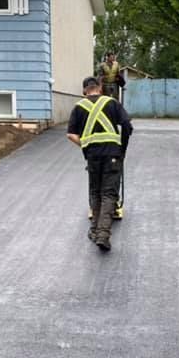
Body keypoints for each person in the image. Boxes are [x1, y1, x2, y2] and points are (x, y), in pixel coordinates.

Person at [67, 76, 132, 252]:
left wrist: (86, 144)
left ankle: (95, 231)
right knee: (109, 194)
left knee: (95, 192)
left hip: (92, 156)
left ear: (84, 91)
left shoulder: (79, 107)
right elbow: (127, 126)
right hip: (112, 154)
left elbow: (70, 134)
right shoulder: (112, 103)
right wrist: (121, 149)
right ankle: (103, 234)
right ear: (100, 88)